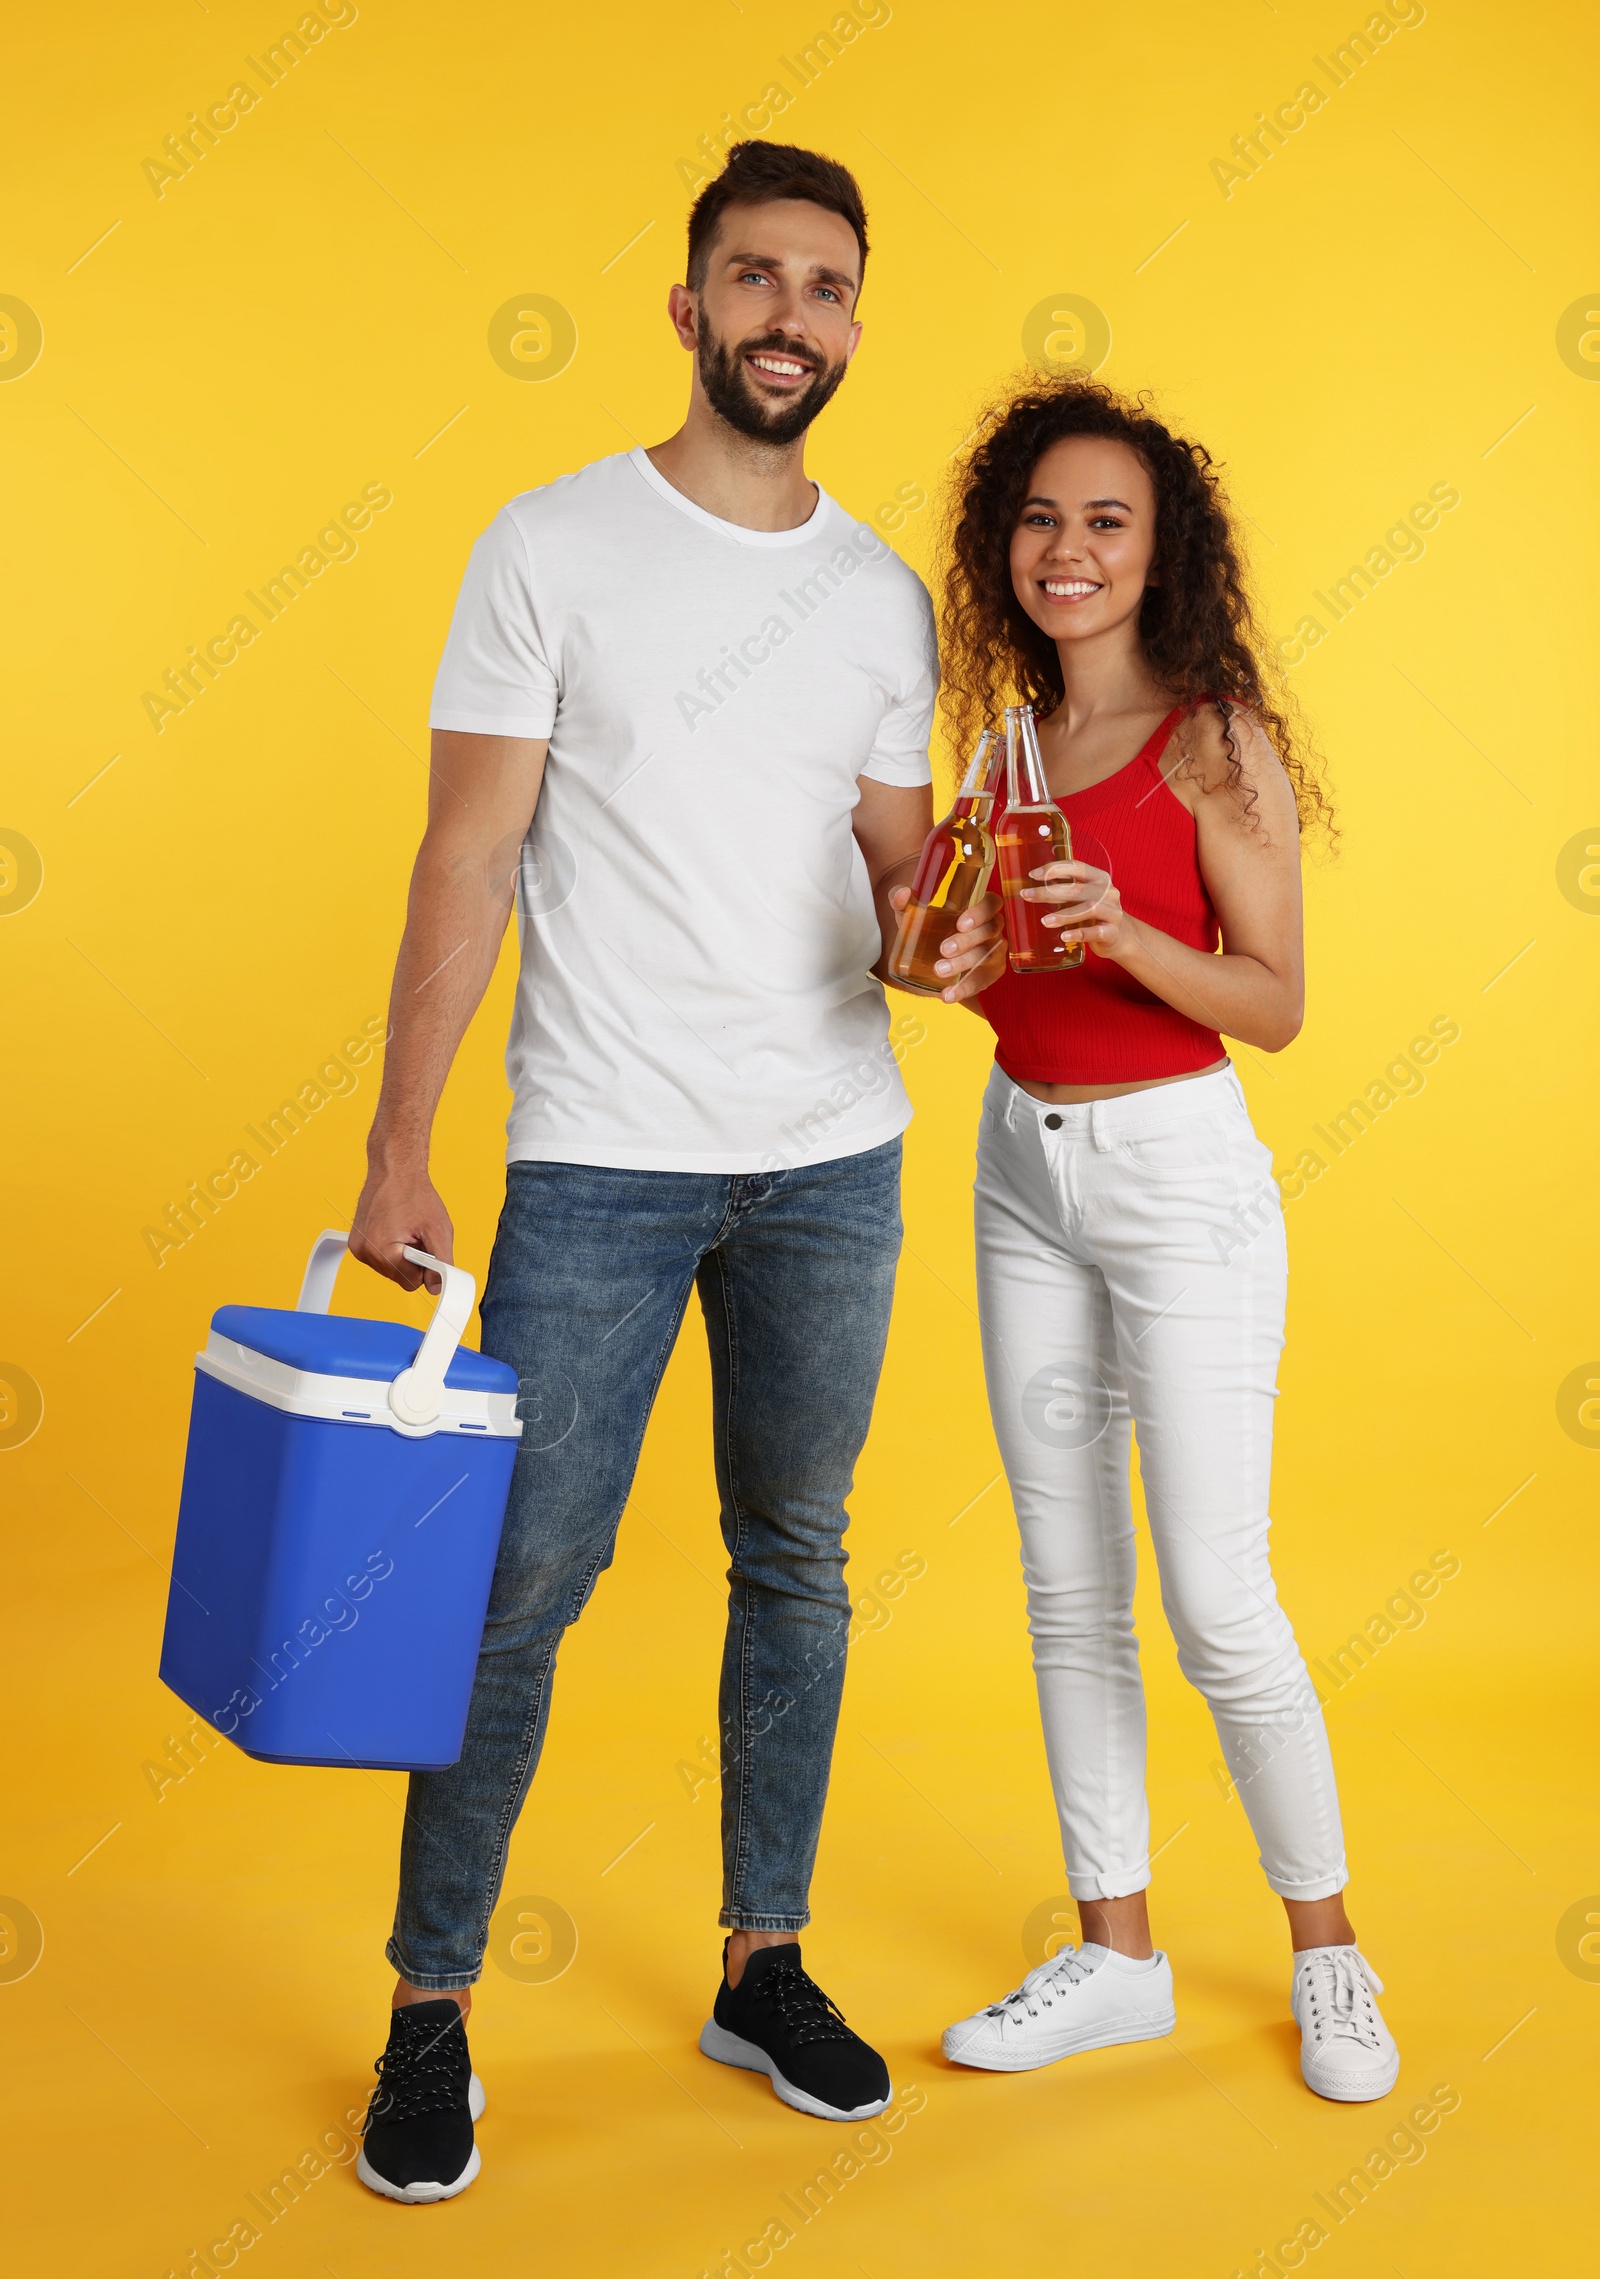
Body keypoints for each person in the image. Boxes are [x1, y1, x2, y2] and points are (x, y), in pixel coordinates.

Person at [343, 139, 1000, 2203]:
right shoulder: (546, 546)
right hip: (602, 1163)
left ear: (853, 323)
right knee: (518, 1592)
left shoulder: (881, 594)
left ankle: (761, 1962)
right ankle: (429, 2012)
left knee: (792, 1562)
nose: (786, 315)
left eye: (822, 286)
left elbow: (897, 894)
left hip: (830, 1161)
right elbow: (468, 855)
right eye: (751, 277)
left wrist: (961, 940)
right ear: (688, 303)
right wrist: (396, 1139)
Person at [926, 374, 1401, 2103]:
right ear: (1007, 549)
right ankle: (1116, 1951)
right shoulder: (1002, 753)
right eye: (1041, 520)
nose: (1068, 551)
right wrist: (967, 966)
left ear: (1159, 551)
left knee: (1215, 1591)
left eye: (1105, 521)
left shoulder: (1213, 740)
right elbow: (991, 984)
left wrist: (1122, 926)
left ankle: (1329, 1951)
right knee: (1069, 1587)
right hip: (1020, 1175)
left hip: (1178, 1179)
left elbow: (1271, 1006)